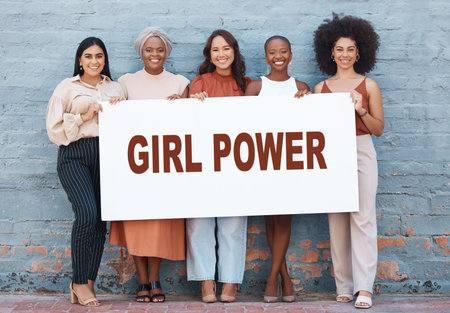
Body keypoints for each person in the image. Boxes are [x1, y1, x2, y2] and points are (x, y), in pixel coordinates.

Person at [109, 27, 189, 303]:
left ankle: (154, 279)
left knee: (159, 224)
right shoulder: (126, 82)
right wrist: (117, 104)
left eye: (160, 49)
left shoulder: (180, 83)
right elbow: (117, 117)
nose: (154, 54)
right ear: (140, 52)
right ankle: (142, 279)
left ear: (167, 52)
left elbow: (190, 123)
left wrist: (185, 103)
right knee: (137, 223)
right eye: (148, 49)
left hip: (166, 166)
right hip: (135, 167)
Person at [46, 37, 125, 306]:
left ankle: (88, 282)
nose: (94, 61)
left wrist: (120, 108)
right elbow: (54, 129)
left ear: (105, 59)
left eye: (99, 56)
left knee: (101, 220)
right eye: (88, 56)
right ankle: (78, 281)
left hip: (107, 155)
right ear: (80, 60)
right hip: (74, 155)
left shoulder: (115, 87)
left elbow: (133, 122)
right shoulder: (66, 88)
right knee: (87, 214)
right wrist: (84, 116)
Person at [313, 14, 384, 309]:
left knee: (363, 218)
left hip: (361, 149)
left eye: (350, 49)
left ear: (359, 52)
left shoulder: (369, 86)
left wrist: (360, 111)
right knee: (337, 219)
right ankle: (344, 284)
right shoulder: (321, 88)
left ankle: (364, 287)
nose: (345, 55)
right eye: (340, 49)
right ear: (331, 52)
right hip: (332, 153)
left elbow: (379, 128)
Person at [187, 29, 252, 303]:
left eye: (226, 48)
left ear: (234, 51)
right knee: (199, 221)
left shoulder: (247, 85)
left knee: (233, 225)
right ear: (209, 54)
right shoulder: (199, 82)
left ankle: (230, 282)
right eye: (215, 49)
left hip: (236, 164)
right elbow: (186, 123)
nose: (221, 54)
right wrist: (192, 104)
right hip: (203, 162)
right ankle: (206, 281)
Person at [245, 35, 310, 303]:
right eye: (272, 52)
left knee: (284, 219)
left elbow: (312, 126)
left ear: (291, 55)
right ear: (266, 56)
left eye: (283, 51)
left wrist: (307, 101)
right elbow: (243, 125)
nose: (278, 56)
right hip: (263, 160)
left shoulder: (302, 87)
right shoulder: (256, 87)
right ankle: (284, 277)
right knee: (271, 220)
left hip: (290, 164)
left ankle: (273, 279)